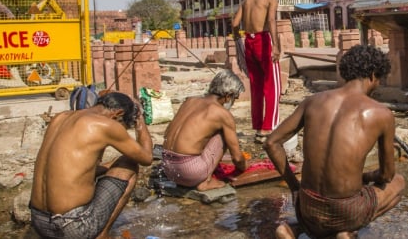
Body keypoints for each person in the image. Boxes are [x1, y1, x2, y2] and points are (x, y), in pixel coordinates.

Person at [265, 44, 406, 239]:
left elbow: (271, 142)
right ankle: (347, 231)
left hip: (306, 206)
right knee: (399, 183)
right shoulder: (381, 113)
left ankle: (292, 230)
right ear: (373, 75)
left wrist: (294, 188)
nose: (378, 85)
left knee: (320, 210)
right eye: (379, 80)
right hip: (345, 211)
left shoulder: (312, 101)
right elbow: (387, 175)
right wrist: (368, 176)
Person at [30, 92, 153, 239]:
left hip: (39, 223)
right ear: (118, 114)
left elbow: (70, 170)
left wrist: (108, 167)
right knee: (128, 163)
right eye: (123, 125)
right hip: (71, 227)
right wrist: (140, 120)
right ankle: (102, 234)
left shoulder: (60, 118)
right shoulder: (105, 125)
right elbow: (146, 158)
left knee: (112, 164)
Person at [162, 69, 247, 191]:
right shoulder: (222, 114)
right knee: (224, 133)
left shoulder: (189, 101)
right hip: (189, 173)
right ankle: (205, 182)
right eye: (235, 98)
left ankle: (195, 176)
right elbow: (237, 158)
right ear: (228, 96)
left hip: (168, 169)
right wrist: (244, 167)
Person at [232, 0, 282, 143]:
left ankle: (259, 127)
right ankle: (268, 128)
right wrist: (276, 46)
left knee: (257, 87)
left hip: (249, 41)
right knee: (272, 86)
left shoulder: (246, 1)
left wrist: (236, 39)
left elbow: (234, 23)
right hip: (264, 40)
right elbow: (271, 20)